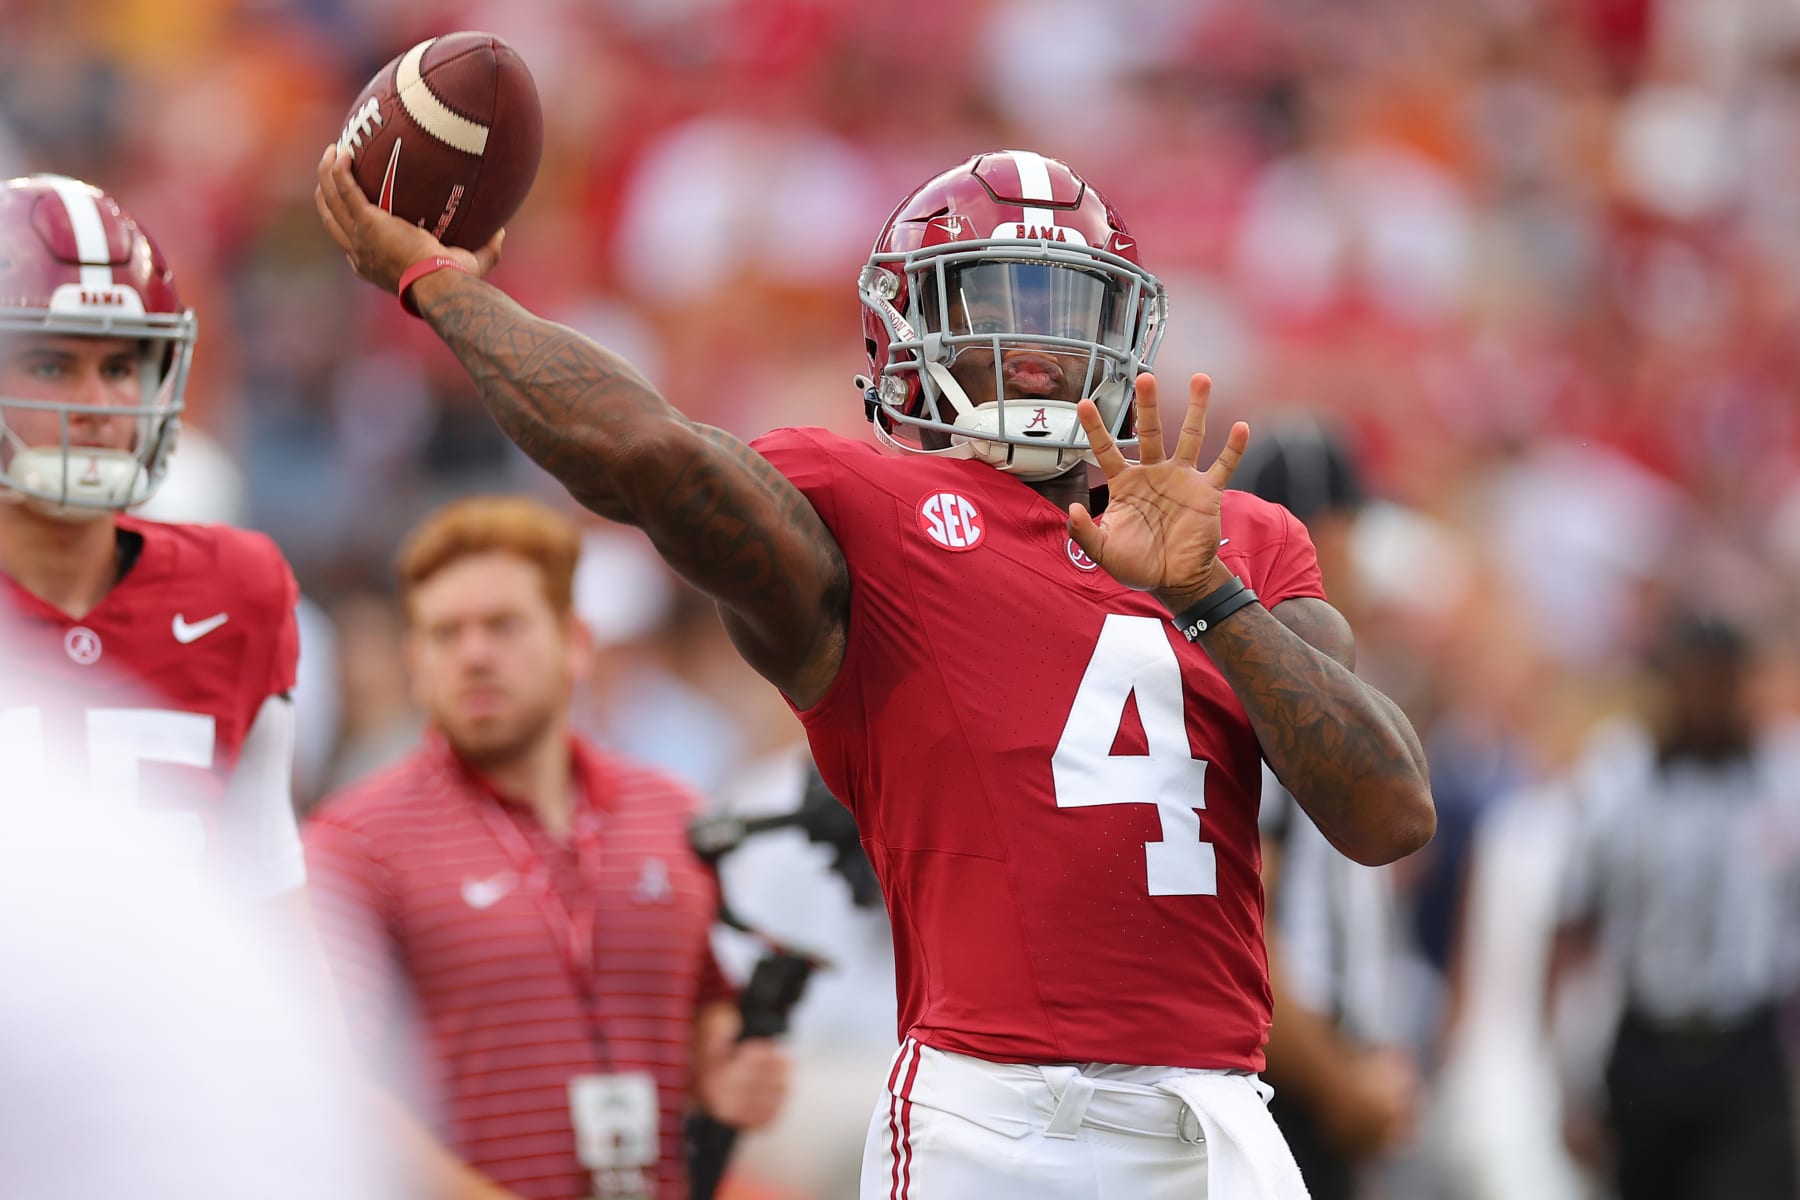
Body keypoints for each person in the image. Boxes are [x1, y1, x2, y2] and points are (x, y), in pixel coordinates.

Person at [317, 145, 1435, 1198]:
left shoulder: (1240, 537)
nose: (1029, 342)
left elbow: (1388, 811)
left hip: (1218, 1113)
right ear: (911, 326)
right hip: (991, 1114)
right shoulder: (871, 514)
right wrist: (438, 284)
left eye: (1061, 303)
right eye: (992, 301)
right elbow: (649, 454)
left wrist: (1211, 599)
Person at [301, 495, 790, 1200]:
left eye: (503, 626)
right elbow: (334, 1086)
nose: (473, 654)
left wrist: (727, 1068)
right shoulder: (356, 840)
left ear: (575, 643)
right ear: (415, 661)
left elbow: (703, 1009)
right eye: (444, 634)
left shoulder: (670, 810)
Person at [0, 172, 303, 907]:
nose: (98, 406)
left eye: (118, 366)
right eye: (52, 365)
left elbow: (269, 894)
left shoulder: (236, 591)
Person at [1549, 610, 1800, 1200]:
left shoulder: (1784, 777)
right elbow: (1572, 930)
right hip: (1647, 1042)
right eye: (1695, 680)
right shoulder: (1619, 776)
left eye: (1724, 681)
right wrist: (1567, 1082)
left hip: (1746, 1042)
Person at [1230, 420, 1419, 1199]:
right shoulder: (1272, 689)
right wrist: (1343, 1083)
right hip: (1290, 1082)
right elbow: (1246, 928)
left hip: (1308, 1069)